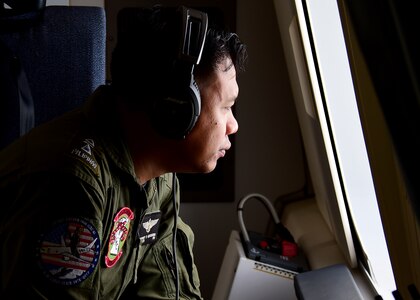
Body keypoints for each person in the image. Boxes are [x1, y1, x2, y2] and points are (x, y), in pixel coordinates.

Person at [0, 4, 247, 299]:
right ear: (177, 108)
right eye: (226, 107)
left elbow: (167, 288)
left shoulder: (159, 178)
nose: (233, 126)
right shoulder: (74, 185)